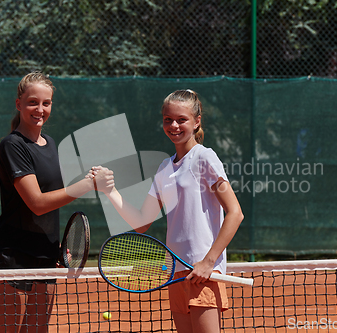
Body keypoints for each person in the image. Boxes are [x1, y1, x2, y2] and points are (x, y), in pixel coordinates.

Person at [94, 89, 244, 333]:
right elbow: (142, 222)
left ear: (197, 122)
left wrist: (208, 262)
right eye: (168, 119)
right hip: (177, 273)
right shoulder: (165, 167)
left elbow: (235, 213)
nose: (174, 125)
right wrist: (110, 192)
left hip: (203, 274)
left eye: (181, 119)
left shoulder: (204, 157)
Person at [0, 72, 113, 333]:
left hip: (44, 254)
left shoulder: (50, 143)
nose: (40, 109)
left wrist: (53, 247)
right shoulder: (13, 145)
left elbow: (51, 204)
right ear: (19, 103)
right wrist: (88, 184)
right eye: (33, 102)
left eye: (46, 103)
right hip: (12, 255)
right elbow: (37, 203)